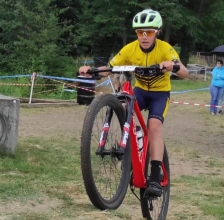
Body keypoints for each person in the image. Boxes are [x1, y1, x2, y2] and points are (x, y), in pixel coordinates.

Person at [78, 9, 188, 197]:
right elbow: (109, 68)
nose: (144, 37)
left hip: (160, 94)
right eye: (140, 32)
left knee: (154, 127)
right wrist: (91, 70)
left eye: (149, 32)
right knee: (121, 106)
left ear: (157, 32)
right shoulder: (130, 49)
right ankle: (128, 146)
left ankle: (154, 177)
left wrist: (173, 66)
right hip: (141, 90)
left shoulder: (164, 48)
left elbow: (184, 72)